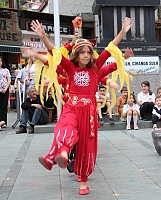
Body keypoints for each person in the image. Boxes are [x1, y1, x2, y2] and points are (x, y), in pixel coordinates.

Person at [25, 18, 131, 195]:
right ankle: (61, 154)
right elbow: (54, 54)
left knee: (86, 146)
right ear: (76, 54)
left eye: (88, 53)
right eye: (82, 53)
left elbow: (110, 49)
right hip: (71, 107)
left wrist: (122, 32)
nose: (85, 56)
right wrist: (43, 37)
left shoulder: (96, 68)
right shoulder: (70, 68)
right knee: (64, 128)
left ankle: (82, 181)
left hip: (88, 112)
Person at [0, 56, 11, 128]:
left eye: (0, 61)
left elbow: (9, 80)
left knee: (4, 106)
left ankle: (4, 121)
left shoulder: (6, 70)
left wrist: (6, 88)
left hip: (5, 90)